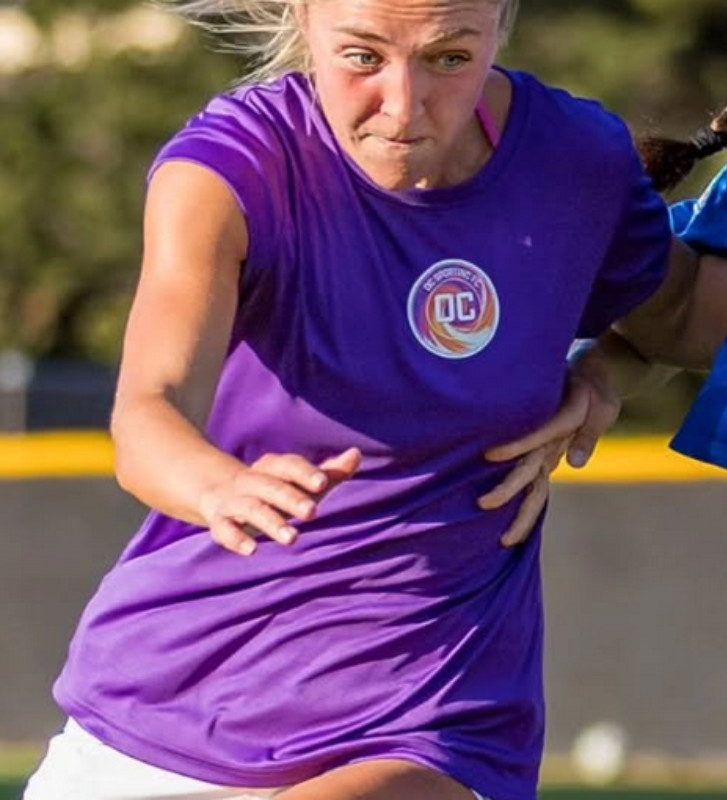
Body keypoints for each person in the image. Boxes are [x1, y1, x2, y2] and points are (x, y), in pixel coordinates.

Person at [20, 0, 721, 798]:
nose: (403, 105)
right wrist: (220, 487)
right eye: (362, 57)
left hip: (430, 721)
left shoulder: (572, 160)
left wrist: (602, 375)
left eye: (448, 59)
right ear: (304, 19)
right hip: (163, 712)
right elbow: (150, 412)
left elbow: (684, 317)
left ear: (501, 22)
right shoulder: (230, 168)